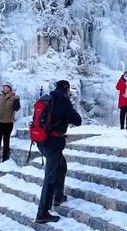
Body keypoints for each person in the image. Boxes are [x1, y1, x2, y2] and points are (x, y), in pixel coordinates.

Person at [36, 80, 82, 224]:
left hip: (41, 140)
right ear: (66, 89)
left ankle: (59, 196)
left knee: (61, 166)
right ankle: (42, 213)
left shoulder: (47, 99)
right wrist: (70, 110)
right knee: (50, 177)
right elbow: (78, 120)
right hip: (53, 143)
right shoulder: (63, 102)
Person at [0, 81, 20, 162]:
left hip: (8, 123)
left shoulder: (14, 98)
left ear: (10, 88)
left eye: (5, 87)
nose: (3, 88)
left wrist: (17, 100)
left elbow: (16, 108)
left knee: (6, 140)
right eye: (3, 87)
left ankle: (5, 157)